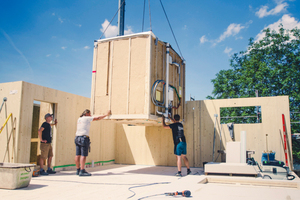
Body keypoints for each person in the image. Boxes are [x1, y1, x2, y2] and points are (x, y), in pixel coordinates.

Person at [75, 109, 111, 176]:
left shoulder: (79, 119)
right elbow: (97, 118)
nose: (90, 115)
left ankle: (78, 170)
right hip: (83, 138)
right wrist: (106, 114)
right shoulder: (86, 118)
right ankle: (82, 171)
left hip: (77, 137)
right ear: (87, 114)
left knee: (77, 155)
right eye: (90, 114)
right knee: (83, 155)